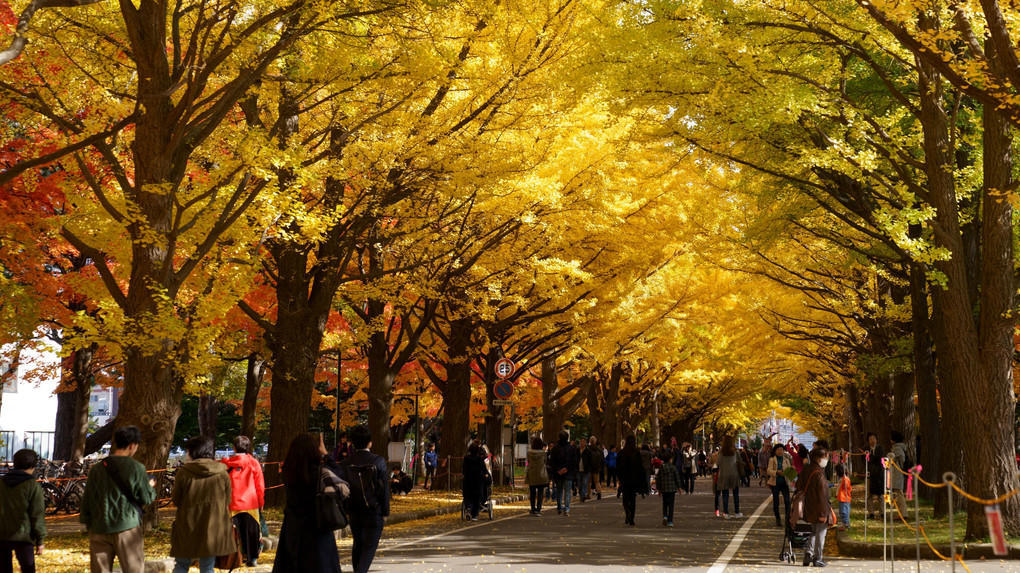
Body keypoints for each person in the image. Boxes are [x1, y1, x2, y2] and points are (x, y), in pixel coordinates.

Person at [81, 425, 157, 573]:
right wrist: (150, 486)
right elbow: (146, 498)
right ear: (132, 445)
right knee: (133, 570)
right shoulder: (136, 468)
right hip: (126, 528)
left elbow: (87, 499)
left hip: (99, 527)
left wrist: (89, 524)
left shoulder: (97, 469)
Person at [273, 432, 348, 573]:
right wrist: (326, 455)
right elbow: (341, 478)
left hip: (292, 531)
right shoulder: (321, 474)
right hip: (317, 529)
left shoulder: (288, 474)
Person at [170, 435, 234, 573]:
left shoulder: (184, 472)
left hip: (187, 525)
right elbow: (228, 500)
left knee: (181, 565)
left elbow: (176, 500)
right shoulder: (222, 473)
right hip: (212, 525)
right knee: (207, 567)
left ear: (193, 451)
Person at [337, 426, 389, 573]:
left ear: (352, 443)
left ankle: (357, 570)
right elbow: (384, 488)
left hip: (354, 510)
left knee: (358, 544)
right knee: (370, 546)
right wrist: (385, 511)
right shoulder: (378, 461)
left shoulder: (347, 462)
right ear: (370, 443)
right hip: (374, 509)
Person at [221, 435, 266, 567]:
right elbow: (260, 485)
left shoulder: (225, 464)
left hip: (231, 502)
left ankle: (233, 558)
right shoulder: (253, 463)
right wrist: (261, 502)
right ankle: (252, 558)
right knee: (251, 531)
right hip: (250, 502)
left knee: (232, 532)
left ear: (234, 448)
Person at [0, 448, 45, 573]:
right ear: (32, 466)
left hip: (2, 535)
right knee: (28, 569)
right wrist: (40, 540)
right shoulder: (32, 486)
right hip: (24, 536)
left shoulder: (2, 483)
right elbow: (37, 514)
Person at [796, 448, 833, 567]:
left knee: (812, 531)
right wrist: (825, 512)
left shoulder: (806, 469)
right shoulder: (819, 473)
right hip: (819, 507)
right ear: (818, 458)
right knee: (821, 533)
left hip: (808, 506)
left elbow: (798, 485)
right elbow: (823, 495)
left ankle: (808, 555)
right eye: (825, 458)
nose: (826, 461)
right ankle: (818, 558)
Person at [617, 435, 646, 526]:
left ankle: (627, 512)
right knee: (632, 499)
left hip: (625, 479)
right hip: (634, 479)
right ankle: (632, 518)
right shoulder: (637, 453)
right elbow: (641, 467)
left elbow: (618, 467)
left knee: (625, 498)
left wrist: (619, 478)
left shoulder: (621, 453)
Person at [548, 431, 578, 516]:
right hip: (568, 473)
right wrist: (567, 468)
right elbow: (574, 461)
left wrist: (558, 469)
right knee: (567, 491)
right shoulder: (571, 448)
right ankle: (567, 509)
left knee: (559, 491)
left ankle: (559, 507)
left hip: (558, 473)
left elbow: (552, 461)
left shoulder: (555, 448)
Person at [716, 436, 743, 519]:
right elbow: (739, 462)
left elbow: (718, 463)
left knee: (725, 494)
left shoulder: (720, 453)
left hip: (724, 474)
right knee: (736, 495)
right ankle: (737, 512)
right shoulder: (736, 452)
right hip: (734, 474)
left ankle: (726, 513)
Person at [766, 443, 793, 527]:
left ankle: (787, 519)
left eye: (781, 450)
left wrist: (792, 473)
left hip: (785, 483)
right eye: (778, 450)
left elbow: (790, 472)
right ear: (775, 451)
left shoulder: (786, 460)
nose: (780, 451)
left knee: (787, 501)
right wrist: (776, 472)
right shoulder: (772, 460)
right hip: (775, 483)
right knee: (776, 502)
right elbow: (768, 471)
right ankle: (778, 518)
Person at [462, 443, 490, 520]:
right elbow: (484, 469)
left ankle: (468, 507)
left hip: (467, 479)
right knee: (476, 497)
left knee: (467, 496)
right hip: (477, 480)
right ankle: (474, 515)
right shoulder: (479, 459)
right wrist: (485, 474)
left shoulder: (466, 458)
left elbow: (464, 469)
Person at [525, 437, 549, 515]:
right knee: (540, 492)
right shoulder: (543, 453)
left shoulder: (529, 453)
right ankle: (538, 509)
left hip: (532, 473)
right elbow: (545, 462)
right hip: (541, 474)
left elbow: (528, 462)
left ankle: (533, 508)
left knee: (532, 492)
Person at [865, 432, 886, 520]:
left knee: (881, 494)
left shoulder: (880, 448)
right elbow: (864, 460)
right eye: (870, 439)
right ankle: (871, 513)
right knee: (869, 494)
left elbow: (879, 459)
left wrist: (871, 457)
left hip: (879, 474)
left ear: (876, 439)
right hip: (869, 473)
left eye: (873, 438)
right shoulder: (866, 449)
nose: (872, 440)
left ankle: (882, 513)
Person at [889, 431, 909, 518]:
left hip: (897, 473)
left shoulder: (897, 449)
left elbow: (891, 460)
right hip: (898, 473)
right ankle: (901, 513)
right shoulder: (901, 447)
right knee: (898, 493)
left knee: (899, 494)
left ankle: (903, 514)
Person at [656, 450, 680, 527]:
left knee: (665, 503)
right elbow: (677, 478)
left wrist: (658, 489)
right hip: (672, 489)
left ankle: (665, 516)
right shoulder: (673, 467)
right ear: (670, 459)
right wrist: (679, 487)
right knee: (671, 504)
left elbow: (658, 478)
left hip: (663, 488)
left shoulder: (661, 467)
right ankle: (670, 521)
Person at [835, 464, 852, 531]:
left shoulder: (846, 479)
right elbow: (839, 488)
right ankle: (844, 523)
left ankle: (846, 524)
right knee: (841, 511)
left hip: (845, 498)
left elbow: (847, 487)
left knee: (844, 511)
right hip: (841, 498)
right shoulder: (841, 479)